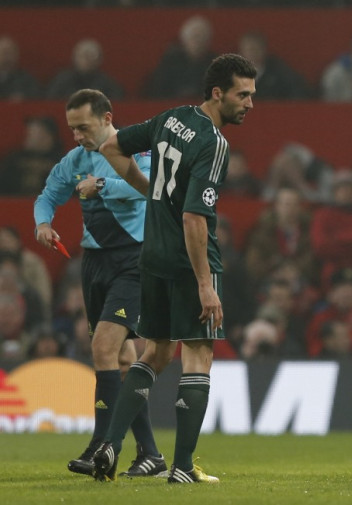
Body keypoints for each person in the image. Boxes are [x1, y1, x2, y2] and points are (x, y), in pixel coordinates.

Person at [93, 53, 257, 484]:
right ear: (217, 93)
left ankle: (109, 444)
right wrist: (206, 283)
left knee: (156, 351)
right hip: (189, 260)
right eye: (243, 95)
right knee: (198, 356)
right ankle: (182, 467)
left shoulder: (170, 119)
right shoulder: (214, 143)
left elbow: (110, 146)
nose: (250, 104)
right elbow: (194, 217)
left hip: (152, 257)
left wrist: (150, 194)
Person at [32, 89, 164, 478]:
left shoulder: (133, 150)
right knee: (122, 360)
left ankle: (100, 447)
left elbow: (149, 187)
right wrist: (43, 223)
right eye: (72, 129)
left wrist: (102, 187)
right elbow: (48, 195)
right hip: (95, 266)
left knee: (103, 346)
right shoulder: (74, 161)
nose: (76, 136)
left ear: (107, 118)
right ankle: (151, 455)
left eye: (83, 127)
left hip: (134, 262)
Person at [142, 15, 217, 100]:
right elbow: (159, 90)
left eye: (204, 38)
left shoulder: (215, 63)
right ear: (184, 39)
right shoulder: (170, 61)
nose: (199, 42)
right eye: (195, 37)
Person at [237, 30, 312, 100]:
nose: (253, 53)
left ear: (264, 50)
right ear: (241, 51)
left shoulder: (278, 71)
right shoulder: (232, 73)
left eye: (256, 48)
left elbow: (298, 90)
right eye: (249, 49)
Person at [0, 116, 65, 196]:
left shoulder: (62, 162)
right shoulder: (13, 159)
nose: (28, 135)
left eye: (33, 132)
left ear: (47, 137)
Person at [46, 39, 124, 100]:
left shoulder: (107, 83)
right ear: (74, 57)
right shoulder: (62, 80)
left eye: (90, 56)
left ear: (99, 59)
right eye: (82, 55)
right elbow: (51, 102)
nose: (85, 60)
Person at [0, 35, 41, 100]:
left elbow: (37, 100)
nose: (7, 57)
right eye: (4, 52)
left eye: (10, 53)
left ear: (16, 54)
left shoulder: (26, 80)